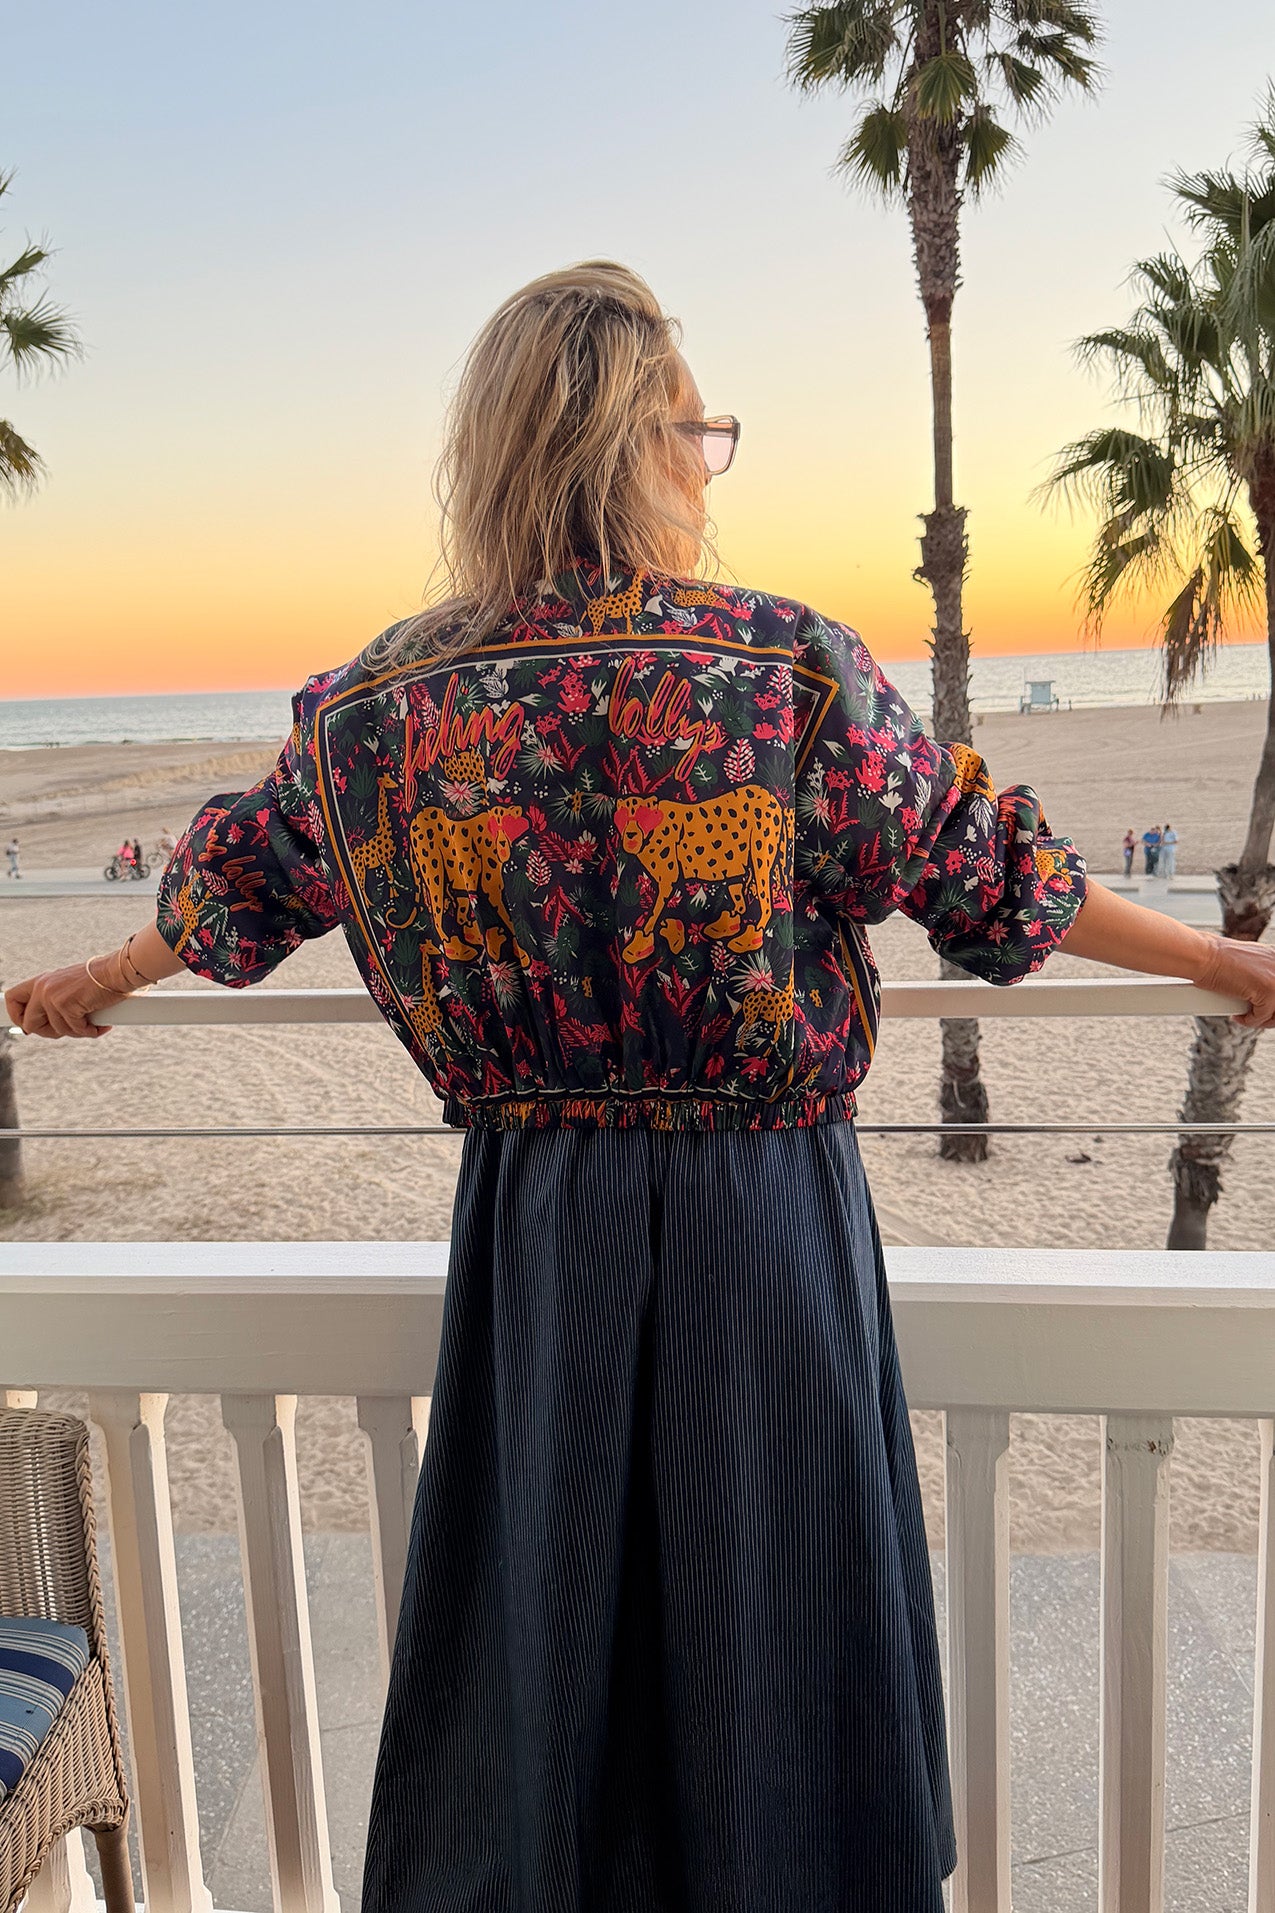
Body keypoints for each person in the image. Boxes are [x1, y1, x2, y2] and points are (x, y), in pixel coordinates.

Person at [7, 261, 1275, 1913]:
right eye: (702, 432)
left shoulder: (388, 705)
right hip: (766, 1218)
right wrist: (1219, 963)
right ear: (641, 444)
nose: (707, 464)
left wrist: (90, 979)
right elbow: (987, 876)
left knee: (548, 1649)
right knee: (786, 1635)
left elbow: (234, 882)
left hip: (538, 1228)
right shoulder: (782, 673)